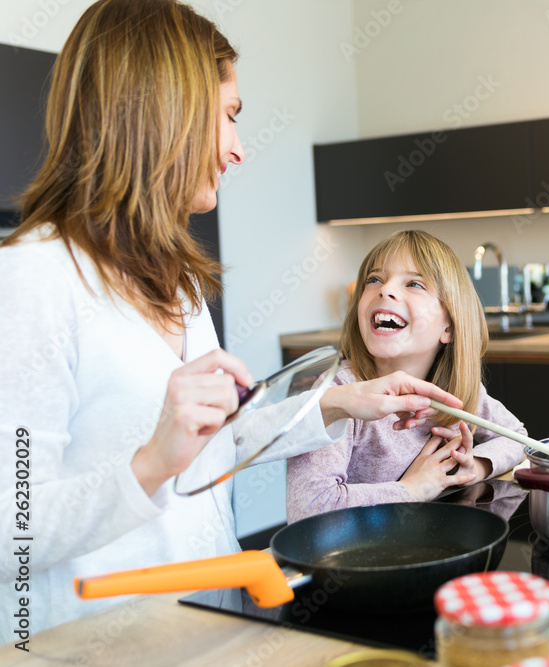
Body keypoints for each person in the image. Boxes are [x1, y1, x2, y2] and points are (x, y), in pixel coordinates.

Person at [0, 0, 461, 640]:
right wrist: (150, 466)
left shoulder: (176, 281)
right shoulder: (33, 280)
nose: (239, 150)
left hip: (204, 623)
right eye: (228, 117)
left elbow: (215, 444)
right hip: (93, 641)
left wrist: (343, 403)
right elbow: (11, 531)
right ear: (163, 112)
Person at [286, 231, 526, 519]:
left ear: (448, 327)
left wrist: (475, 465)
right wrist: (410, 490)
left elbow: (518, 438)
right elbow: (308, 510)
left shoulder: (453, 389)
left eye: (414, 283)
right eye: (374, 279)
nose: (385, 290)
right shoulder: (341, 391)